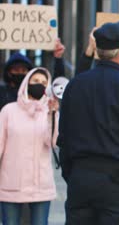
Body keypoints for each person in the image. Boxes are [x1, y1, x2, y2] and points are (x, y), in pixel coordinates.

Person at [57, 21, 119, 224]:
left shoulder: (75, 85)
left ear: (98, 51)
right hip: (115, 181)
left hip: (80, 178)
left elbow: (64, 136)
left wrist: (73, 173)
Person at [0, 67, 59, 225]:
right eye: (35, 81)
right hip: (11, 185)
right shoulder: (8, 111)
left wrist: (52, 114)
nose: (39, 85)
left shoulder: (49, 111)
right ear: (26, 83)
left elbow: (52, 141)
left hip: (40, 187)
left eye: (43, 83)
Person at [0, 39, 66, 111]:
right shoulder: (2, 93)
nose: (20, 73)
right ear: (8, 72)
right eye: (16, 70)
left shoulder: (36, 92)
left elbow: (58, 85)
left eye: (23, 70)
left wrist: (58, 58)